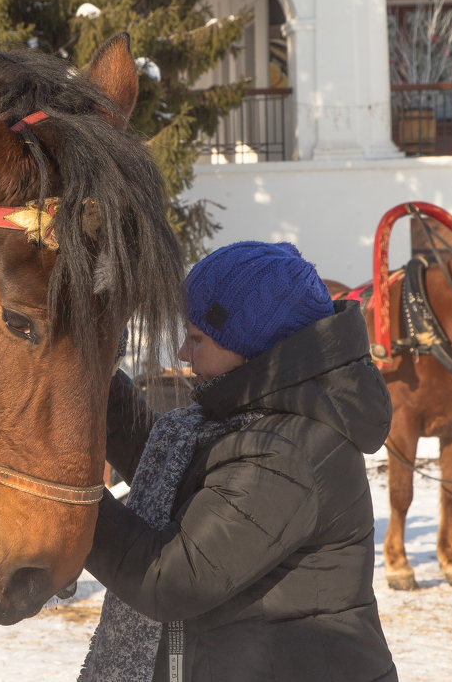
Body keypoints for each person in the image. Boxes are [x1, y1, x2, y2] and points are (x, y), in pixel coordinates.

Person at [79, 241, 397, 682]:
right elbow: (165, 468)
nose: (183, 355)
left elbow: (170, 578)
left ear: (254, 348)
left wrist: (60, 493)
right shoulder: (241, 423)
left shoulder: (292, 449)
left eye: (198, 338)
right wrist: (89, 374)